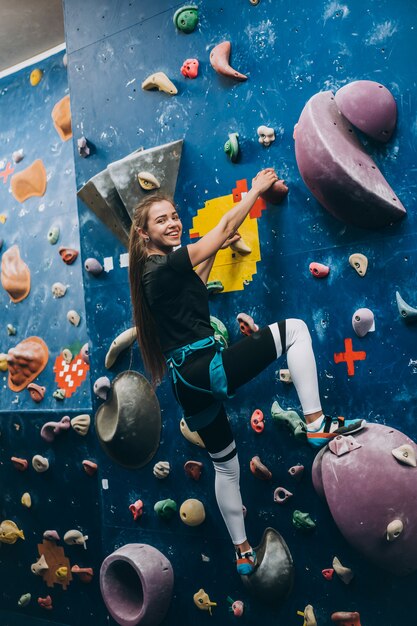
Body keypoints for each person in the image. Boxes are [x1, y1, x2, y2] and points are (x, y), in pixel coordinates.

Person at [128, 168, 365, 576]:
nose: (174, 222)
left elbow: (196, 288)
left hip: (189, 386)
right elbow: (219, 229)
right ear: (144, 234)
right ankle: (315, 422)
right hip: (206, 368)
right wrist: (254, 189)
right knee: (295, 331)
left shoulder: (158, 273)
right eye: (162, 219)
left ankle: (241, 551)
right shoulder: (161, 266)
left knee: (225, 466)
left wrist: (218, 249)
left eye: (174, 215)